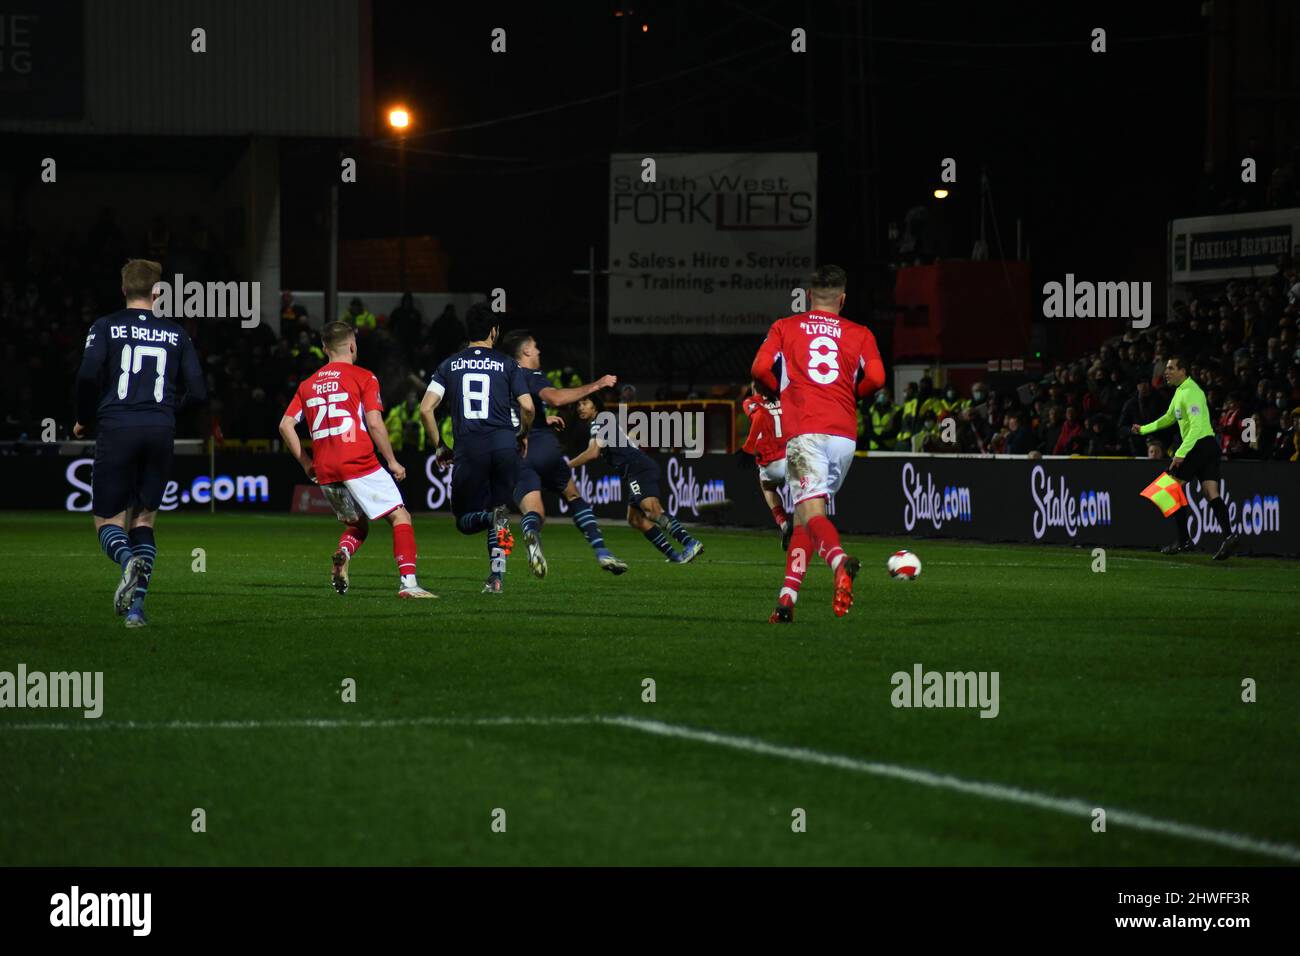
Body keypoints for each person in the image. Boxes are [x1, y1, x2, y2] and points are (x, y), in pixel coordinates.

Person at [74, 259, 207, 628]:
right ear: (158, 292)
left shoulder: (106, 326)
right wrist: (167, 411)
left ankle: (124, 561)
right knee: (145, 519)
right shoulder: (177, 334)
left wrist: (85, 418)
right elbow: (198, 392)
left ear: (123, 290)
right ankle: (136, 611)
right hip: (159, 430)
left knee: (107, 521)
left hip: (117, 427)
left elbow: (87, 375)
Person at [751, 264, 885, 623]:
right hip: (843, 436)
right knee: (803, 520)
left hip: (806, 432)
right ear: (842, 299)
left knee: (811, 515)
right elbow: (878, 378)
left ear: (808, 298)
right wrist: (854, 394)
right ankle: (786, 601)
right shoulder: (861, 333)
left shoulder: (785, 326)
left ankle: (840, 563)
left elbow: (759, 368)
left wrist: (779, 389)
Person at [278, 322, 434, 599]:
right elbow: (374, 423)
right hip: (357, 459)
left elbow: (285, 425)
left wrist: (306, 463)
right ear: (352, 346)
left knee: (359, 524)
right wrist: (393, 462)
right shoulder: (364, 376)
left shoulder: (307, 384)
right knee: (401, 516)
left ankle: (344, 553)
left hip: (325, 467)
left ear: (325, 349)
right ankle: (409, 584)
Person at [419, 304, 535, 594]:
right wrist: (522, 434)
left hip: (470, 449)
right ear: (494, 332)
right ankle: (496, 579)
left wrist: (439, 446)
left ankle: (489, 520)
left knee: (464, 520)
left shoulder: (449, 365)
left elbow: (425, 409)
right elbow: (528, 406)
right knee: (500, 510)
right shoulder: (508, 364)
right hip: (504, 446)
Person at [498, 329, 626, 577]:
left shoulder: (502, 378)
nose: (538, 351)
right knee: (573, 495)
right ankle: (602, 552)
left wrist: (542, 421)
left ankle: (531, 534)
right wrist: (596, 385)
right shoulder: (531, 374)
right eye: (535, 346)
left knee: (535, 513)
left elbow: (513, 413)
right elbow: (555, 397)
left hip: (515, 454)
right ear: (525, 351)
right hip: (542, 447)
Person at [567, 395, 704, 564]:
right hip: (634, 469)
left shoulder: (601, 420)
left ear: (595, 406)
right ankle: (674, 556)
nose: (580, 407)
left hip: (637, 467)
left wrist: (566, 466)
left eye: (585, 403)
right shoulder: (603, 421)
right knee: (635, 519)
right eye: (578, 404)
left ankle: (690, 542)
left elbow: (592, 453)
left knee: (652, 510)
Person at [1131, 355, 1239, 559]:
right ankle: (1229, 536)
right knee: (1210, 492)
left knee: (1166, 490)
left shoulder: (1191, 392)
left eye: (1171, 368)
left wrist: (1180, 454)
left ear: (1183, 371)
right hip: (1208, 447)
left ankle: (1184, 540)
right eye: (1167, 368)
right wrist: (1144, 429)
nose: (1166, 372)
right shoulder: (1181, 392)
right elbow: (1169, 418)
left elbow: (1196, 428)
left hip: (1197, 446)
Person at [741, 382, 792, 549]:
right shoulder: (786, 398)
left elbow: (759, 417)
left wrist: (747, 448)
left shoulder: (751, 402)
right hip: (793, 456)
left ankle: (783, 522)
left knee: (767, 488)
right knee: (806, 497)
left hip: (772, 460)